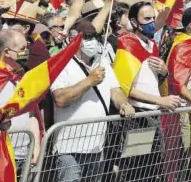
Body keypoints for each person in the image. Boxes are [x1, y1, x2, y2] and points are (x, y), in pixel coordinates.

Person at [50, 20, 135, 182]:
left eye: (96, 36)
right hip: (69, 149)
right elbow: (60, 99)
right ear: (75, 39)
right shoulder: (61, 62)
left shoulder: (102, 62)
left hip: (96, 147)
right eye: (88, 37)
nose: (93, 41)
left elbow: (115, 90)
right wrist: (89, 81)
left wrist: (124, 104)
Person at [113, 1, 181, 182]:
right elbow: (126, 88)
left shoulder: (153, 45)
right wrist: (161, 101)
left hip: (154, 114)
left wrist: (164, 72)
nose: (152, 22)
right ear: (134, 22)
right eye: (147, 18)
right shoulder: (126, 44)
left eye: (153, 18)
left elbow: (153, 82)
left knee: (154, 167)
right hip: (138, 117)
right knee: (137, 170)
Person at [0, 29, 42, 170]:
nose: (27, 52)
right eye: (22, 49)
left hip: (25, 155)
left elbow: (32, 113)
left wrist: (36, 145)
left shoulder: (22, 75)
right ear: (6, 52)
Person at [1, 1, 50, 69]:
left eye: (11, 23)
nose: (5, 26)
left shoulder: (33, 51)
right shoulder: (29, 43)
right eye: (5, 21)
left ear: (25, 28)